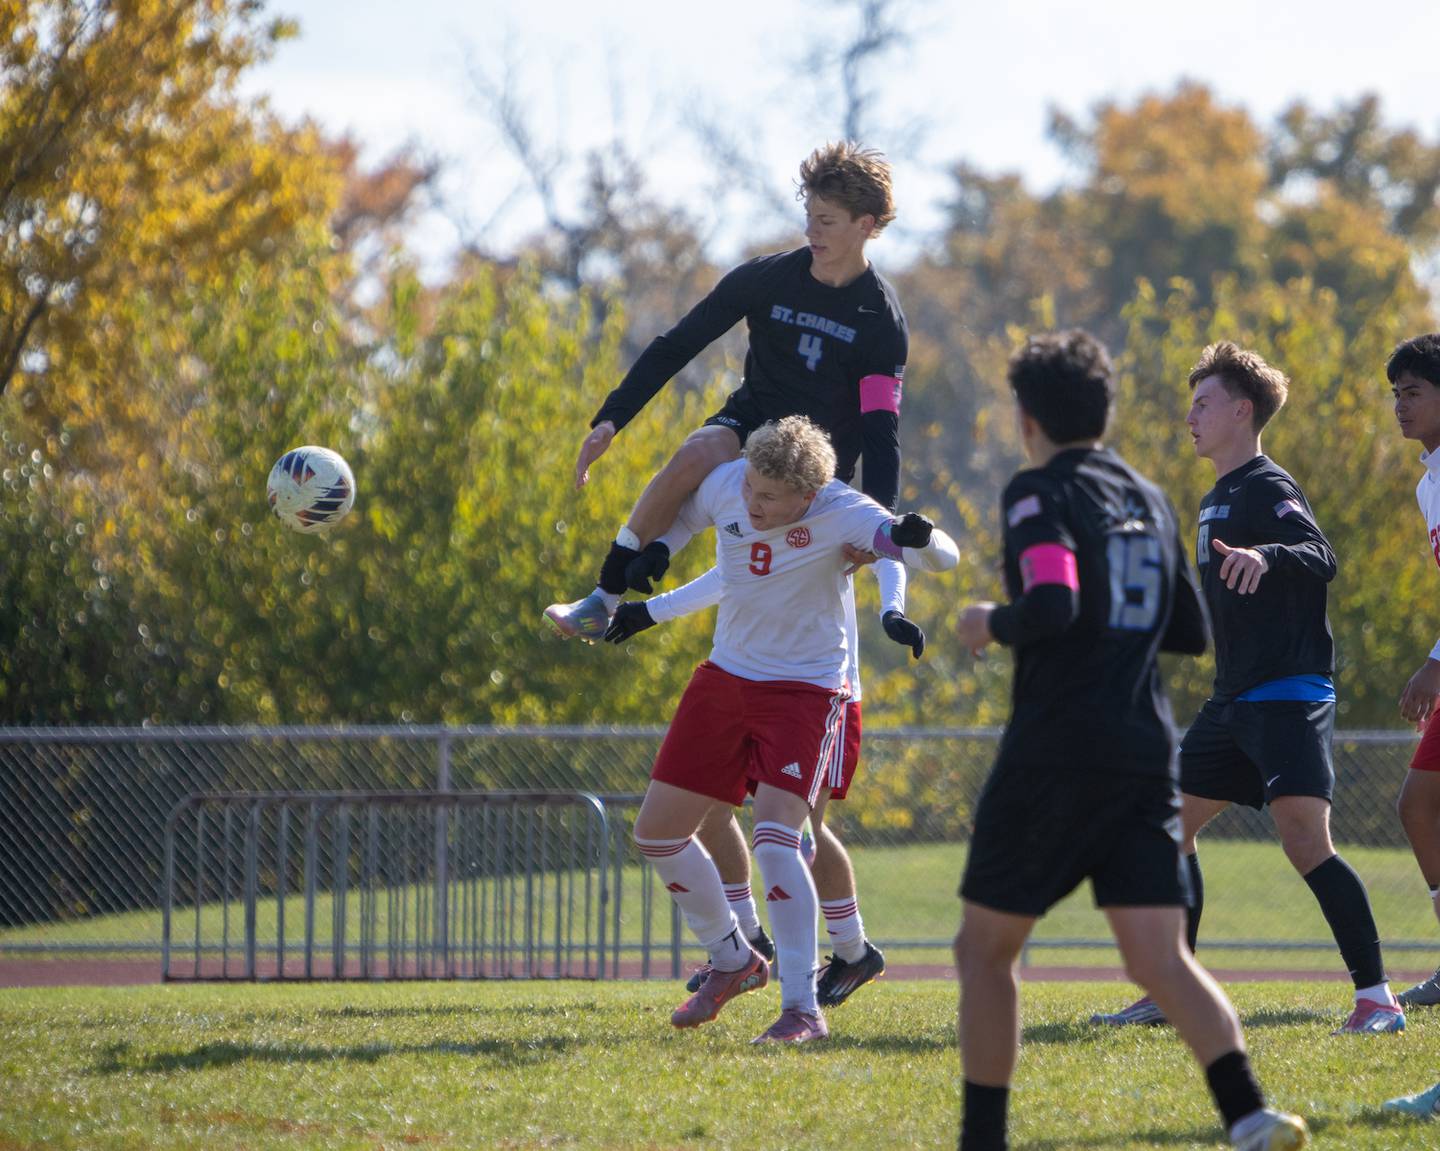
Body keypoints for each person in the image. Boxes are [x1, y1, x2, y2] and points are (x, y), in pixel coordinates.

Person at [953, 330, 1307, 1151]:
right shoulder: (1147, 494)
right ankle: (1249, 1112)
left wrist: (988, 621)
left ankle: (983, 1139)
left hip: (1055, 748)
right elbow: (1186, 627)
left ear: (1026, 415)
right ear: (1105, 414)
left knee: (983, 949)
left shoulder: (1037, 489)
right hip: (1145, 749)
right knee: (1161, 958)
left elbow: (1052, 603)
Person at [612, 415, 957, 1043]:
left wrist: (920, 542)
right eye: (749, 488)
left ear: (808, 497)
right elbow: (706, 538)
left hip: (805, 690)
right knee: (657, 833)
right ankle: (733, 958)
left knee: (779, 839)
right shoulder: (734, 484)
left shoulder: (842, 509)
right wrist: (647, 588)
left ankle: (802, 1008)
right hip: (724, 677)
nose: (751, 502)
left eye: (768, 497)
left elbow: (934, 556)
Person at [1092, 341, 1402, 1035]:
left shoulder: (1266, 485)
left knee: (1304, 842)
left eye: (1203, 403)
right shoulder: (1214, 496)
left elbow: (1320, 555)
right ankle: (1173, 989)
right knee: (1165, 826)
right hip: (1232, 701)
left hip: (1289, 694)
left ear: (1241, 410)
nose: (1190, 416)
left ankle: (1378, 997)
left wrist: (1268, 553)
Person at [543, 140, 906, 640]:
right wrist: (611, 419)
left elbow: (880, 430)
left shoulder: (880, 320)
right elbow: (678, 345)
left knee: (765, 574)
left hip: (817, 463)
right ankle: (602, 598)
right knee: (698, 450)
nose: (809, 231)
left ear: (865, 225)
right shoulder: (767, 278)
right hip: (751, 423)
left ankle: (662, 558)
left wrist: (877, 523)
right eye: (808, 216)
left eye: (826, 221)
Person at [624, 559, 906, 1006]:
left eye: (767, 490)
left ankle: (851, 951)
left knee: (797, 831)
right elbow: (727, 571)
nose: (756, 498)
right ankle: (746, 939)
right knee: (711, 812)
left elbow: (895, 545)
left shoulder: (830, 508)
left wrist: (894, 609)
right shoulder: (755, 510)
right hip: (749, 682)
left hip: (817, 691)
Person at [1377, 333, 1440, 1118]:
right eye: (1395, 391)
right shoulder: (1430, 481)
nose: (1401, 403)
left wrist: (1433, 661)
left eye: (1414, 389)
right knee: (1418, 803)